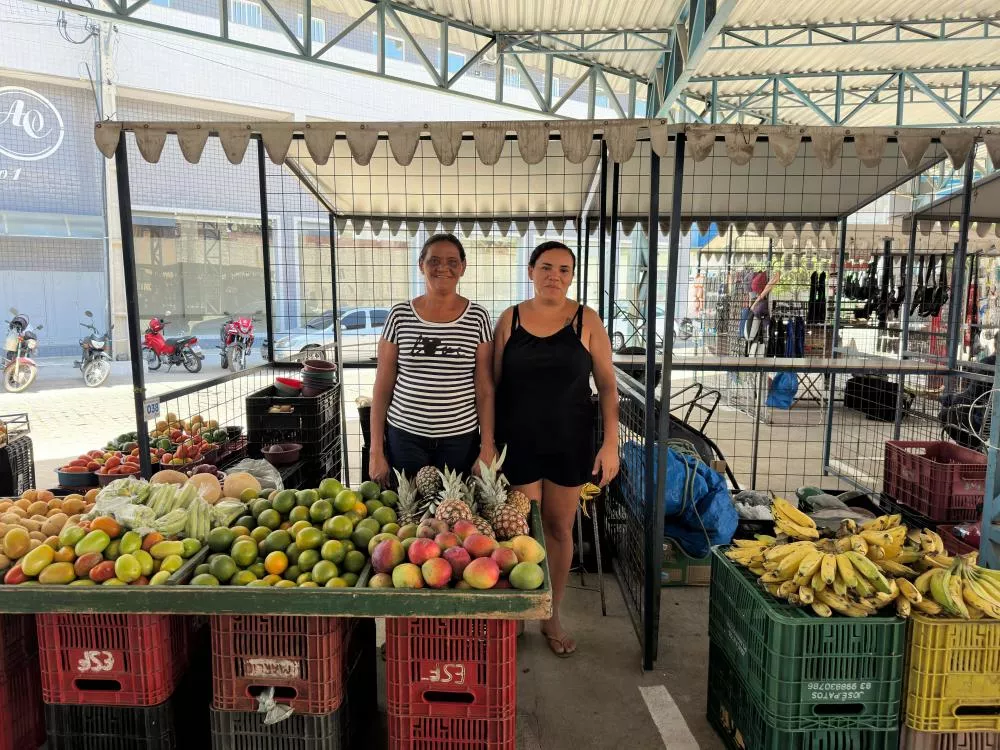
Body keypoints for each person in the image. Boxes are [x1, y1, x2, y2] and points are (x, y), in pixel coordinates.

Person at [493, 240, 620, 657]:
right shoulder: (509, 320)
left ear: (571, 276)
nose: (555, 276)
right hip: (518, 443)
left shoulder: (587, 320)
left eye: (564, 270)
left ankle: (551, 613)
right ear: (530, 271)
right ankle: (517, 612)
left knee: (559, 529)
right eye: (546, 267)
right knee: (521, 531)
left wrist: (610, 445)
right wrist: (488, 443)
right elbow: (492, 386)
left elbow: (606, 386)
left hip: (570, 441)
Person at [369, 233, 496, 484]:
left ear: (463, 267)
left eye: (452, 262)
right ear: (421, 265)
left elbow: (484, 389)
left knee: (455, 516)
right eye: (434, 261)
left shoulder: (478, 317)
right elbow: (382, 386)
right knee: (410, 516)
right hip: (405, 436)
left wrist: (487, 444)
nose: (443, 268)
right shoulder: (399, 315)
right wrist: (376, 450)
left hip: (460, 439)